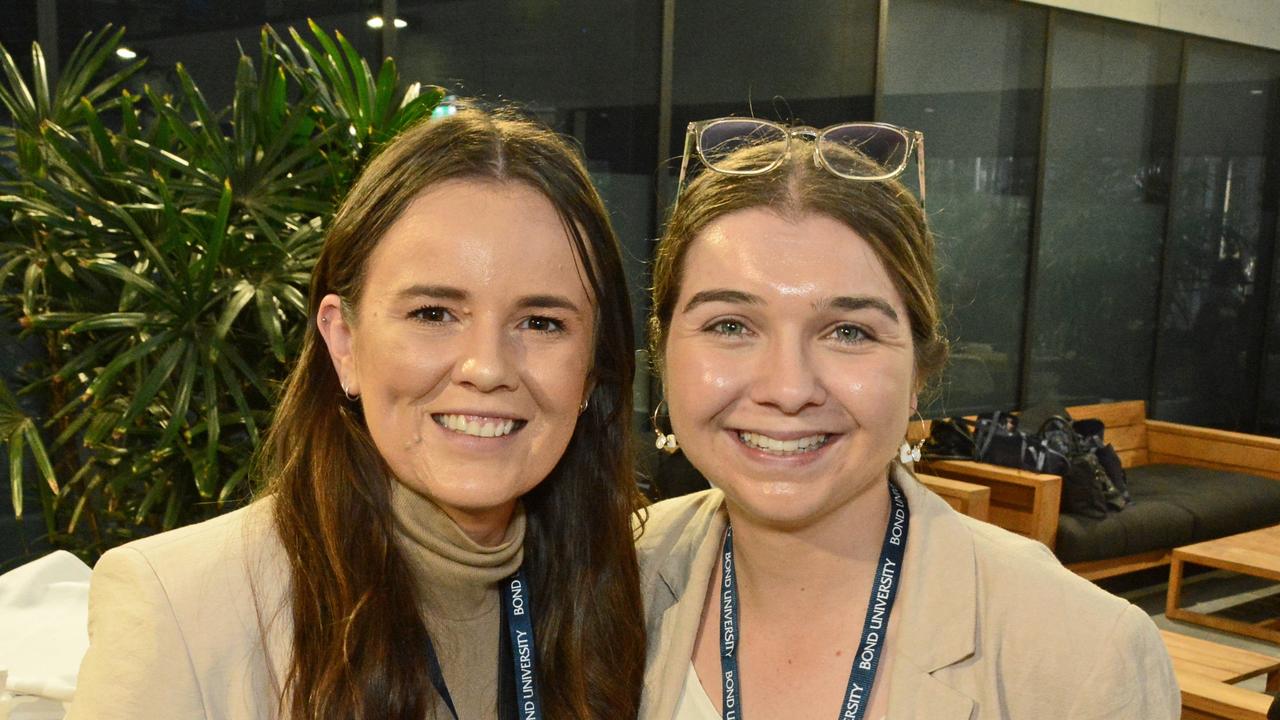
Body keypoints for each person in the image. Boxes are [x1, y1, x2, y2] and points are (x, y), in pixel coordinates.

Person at [67, 107, 646, 720]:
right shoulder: (181, 608)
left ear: (591, 369)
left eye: (541, 323)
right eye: (433, 313)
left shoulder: (625, 596)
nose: (487, 367)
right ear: (343, 342)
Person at [637, 118, 1179, 719]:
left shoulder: (1083, 659)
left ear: (919, 372)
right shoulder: (610, 578)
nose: (788, 390)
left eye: (849, 332)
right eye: (730, 326)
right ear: (662, 355)